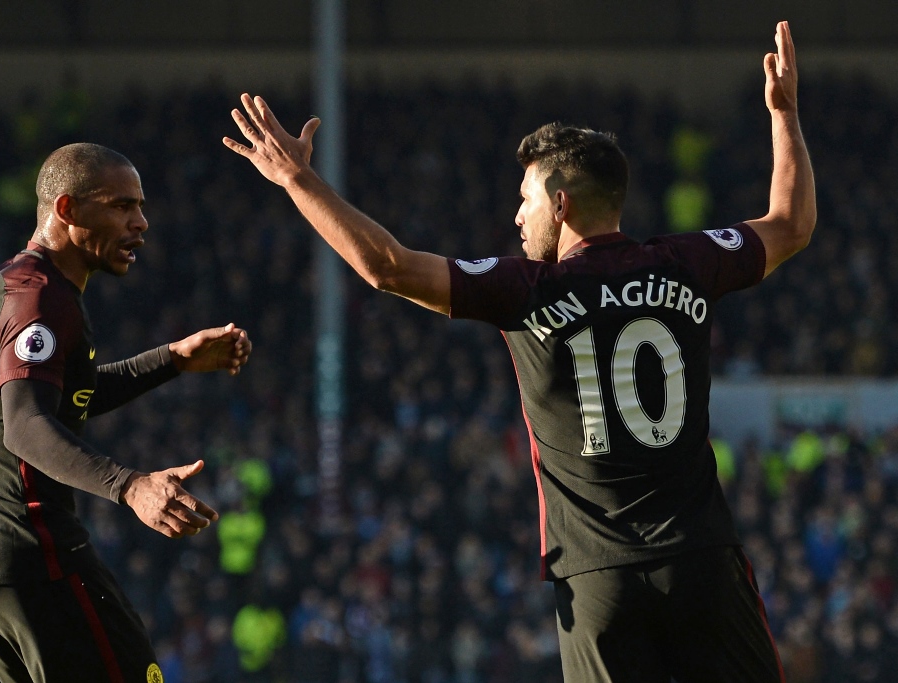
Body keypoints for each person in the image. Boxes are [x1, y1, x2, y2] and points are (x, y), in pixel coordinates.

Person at [224, 21, 814, 683]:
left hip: (596, 578)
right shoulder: (686, 263)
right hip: (703, 560)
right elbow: (791, 223)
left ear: (561, 206)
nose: (516, 216)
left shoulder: (528, 289)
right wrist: (784, 115)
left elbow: (385, 266)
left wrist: (298, 181)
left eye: (526, 199)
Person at [0, 142, 252, 683]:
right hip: (34, 554)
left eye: (140, 206)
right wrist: (130, 486)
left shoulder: (8, 282)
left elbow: (56, 397)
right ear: (66, 210)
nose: (141, 223)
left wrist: (170, 360)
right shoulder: (42, 300)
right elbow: (27, 424)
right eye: (121, 206)